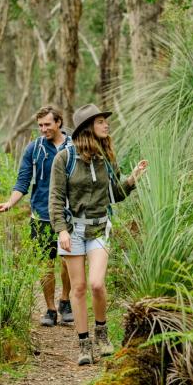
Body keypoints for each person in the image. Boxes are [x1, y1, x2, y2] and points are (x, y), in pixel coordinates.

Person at [49, 104, 148, 365]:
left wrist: (133, 178)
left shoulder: (106, 157)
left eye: (106, 121)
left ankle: (102, 333)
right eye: (101, 121)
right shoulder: (65, 158)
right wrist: (61, 230)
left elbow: (114, 195)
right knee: (78, 288)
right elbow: (56, 198)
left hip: (99, 227)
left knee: (96, 284)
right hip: (73, 230)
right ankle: (84, 344)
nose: (106, 125)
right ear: (88, 128)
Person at [0, 105, 74, 327]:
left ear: (58, 122)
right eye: (40, 125)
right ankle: (50, 309)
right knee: (45, 264)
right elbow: (23, 181)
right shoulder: (34, 149)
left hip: (69, 216)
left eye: (47, 124)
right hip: (41, 215)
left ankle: (65, 300)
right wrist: (10, 203)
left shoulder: (73, 146)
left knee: (68, 262)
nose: (43, 129)